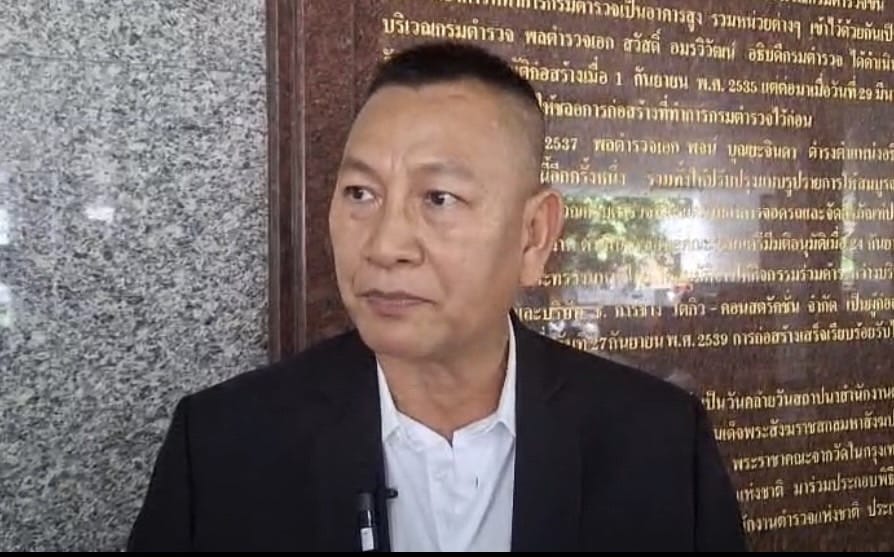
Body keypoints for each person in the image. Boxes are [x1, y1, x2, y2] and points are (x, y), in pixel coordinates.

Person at [127, 41, 747, 552]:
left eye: (439, 199)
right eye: (361, 194)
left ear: (534, 235)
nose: (386, 245)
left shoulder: (660, 447)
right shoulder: (224, 447)